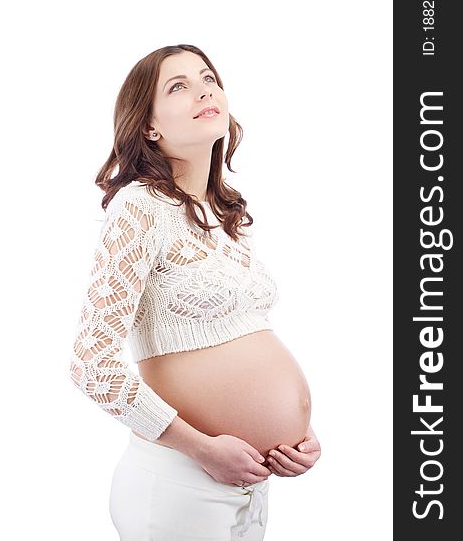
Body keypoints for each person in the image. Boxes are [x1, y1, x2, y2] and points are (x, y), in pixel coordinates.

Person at [69, 44, 321, 540]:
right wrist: (202, 448)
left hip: (248, 485)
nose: (204, 88)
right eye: (178, 85)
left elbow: (244, 346)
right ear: (149, 126)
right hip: (180, 483)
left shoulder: (227, 216)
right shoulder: (140, 207)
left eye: (208, 77)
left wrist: (294, 433)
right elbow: (90, 364)